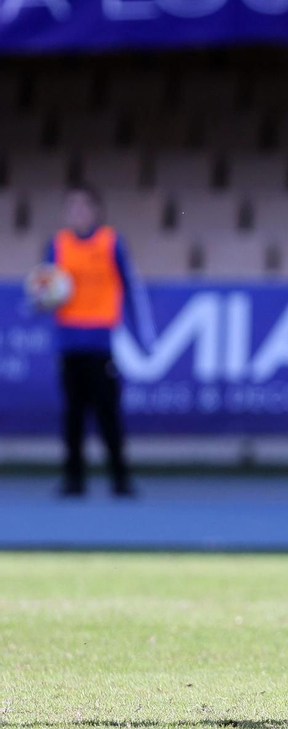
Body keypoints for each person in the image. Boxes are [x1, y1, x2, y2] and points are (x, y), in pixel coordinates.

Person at [41, 186, 154, 498]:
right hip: (69, 343)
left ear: (96, 211)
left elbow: (131, 287)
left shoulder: (111, 243)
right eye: (71, 207)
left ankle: (120, 478)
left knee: (108, 414)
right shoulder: (57, 245)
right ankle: (73, 480)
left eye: (83, 207)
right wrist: (41, 300)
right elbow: (43, 288)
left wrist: (144, 335)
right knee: (72, 416)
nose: (77, 213)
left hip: (101, 343)